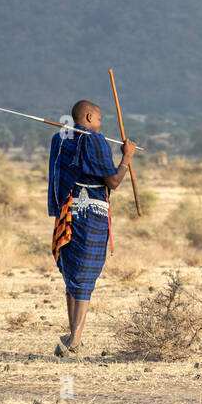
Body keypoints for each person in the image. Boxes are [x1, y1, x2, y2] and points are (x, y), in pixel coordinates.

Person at [48, 99, 135, 357]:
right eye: (98, 120)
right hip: (91, 216)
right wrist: (127, 157)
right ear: (87, 117)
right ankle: (74, 340)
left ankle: (72, 335)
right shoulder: (94, 140)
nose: (99, 125)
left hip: (67, 215)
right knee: (84, 276)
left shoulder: (60, 139)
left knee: (73, 275)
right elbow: (113, 181)